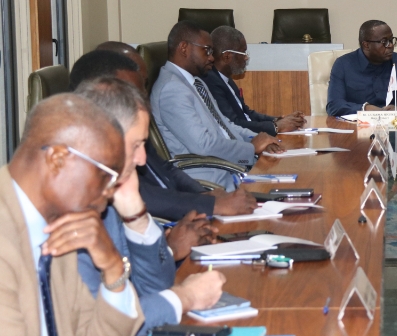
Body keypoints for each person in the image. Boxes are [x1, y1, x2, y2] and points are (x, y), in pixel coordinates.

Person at [0, 93, 222, 336]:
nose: (110, 193)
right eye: (107, 175)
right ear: (57, 159)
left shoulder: (59, 224)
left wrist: (114, 270)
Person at [75, 78, 225, 336]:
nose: (142, 159)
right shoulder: (68, 211)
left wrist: (137, 219)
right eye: (136, 146)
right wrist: (186, 297)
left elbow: (153, 289)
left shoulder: (109, 195)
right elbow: (103, 327)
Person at [72, 48, 257, 221]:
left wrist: (202, 194)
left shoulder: (129, 130)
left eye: (143, 87)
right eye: (132, 92)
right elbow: (143, 195)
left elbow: (166, 167)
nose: (144, 97)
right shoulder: (86, 153)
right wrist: (209, 204)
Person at [150, 21, 283, 189]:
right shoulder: (172, 89)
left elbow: (225, 125)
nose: (212, 58)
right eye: (207, 50)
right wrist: (251, 149)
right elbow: (203, 145)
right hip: (213, 176)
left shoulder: (196, 82)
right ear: (184, 48)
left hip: (230, 165)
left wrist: (260, 140)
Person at [205, 26, 305, 135]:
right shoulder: (211, 82)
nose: (246, 58)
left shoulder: (225, 79)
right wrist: (276, 127)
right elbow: (234, 124)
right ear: (227, 57)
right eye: (243, 53)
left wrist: (278, 120)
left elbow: (247, 114)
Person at [327, 20, 397, 117]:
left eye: (391, 40)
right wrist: (366, 109)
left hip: (394, 124)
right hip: (356, 125)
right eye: (384, 41)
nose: (391, 45)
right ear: (366, 45)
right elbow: (334, 105)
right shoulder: (343, 65)